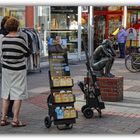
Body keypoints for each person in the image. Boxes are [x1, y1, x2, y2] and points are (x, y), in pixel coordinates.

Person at [0, 17, 31, 127]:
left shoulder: (3, 39)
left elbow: (3, 54)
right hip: (19, 70)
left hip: (6, 70)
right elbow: (28, 53)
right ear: (17, 27)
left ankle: (3, 119)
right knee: (18, 94)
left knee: (6, 94)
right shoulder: (20, 40)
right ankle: (15, 120)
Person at [0, 16, 14, 118]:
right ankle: (7, 112)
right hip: (5, 65)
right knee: (9, 90)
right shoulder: (2, 36)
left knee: (9, 90)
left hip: (6, 65)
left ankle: (7, 111)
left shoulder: (7, 36)